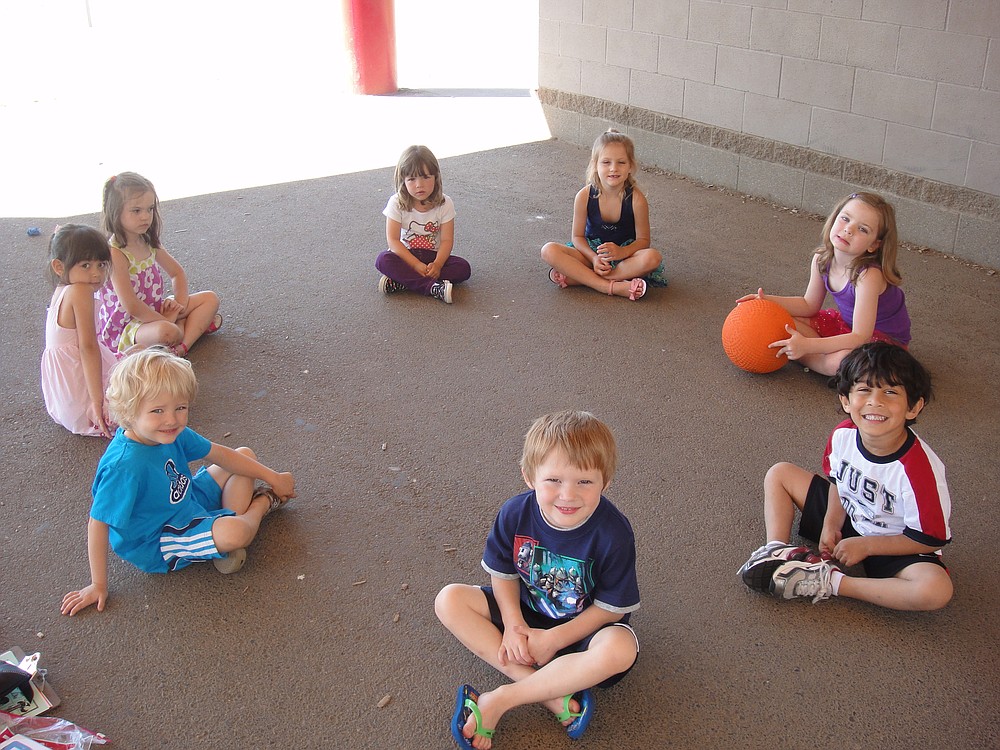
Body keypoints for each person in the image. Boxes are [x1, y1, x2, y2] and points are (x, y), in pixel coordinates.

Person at [435, 411, 639, 749]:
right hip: (527, 613)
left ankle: (502, 698)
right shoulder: (515, 512)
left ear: (606, 481)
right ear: (529, 477)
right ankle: (548, 694)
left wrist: (555, 639)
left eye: (585, 482)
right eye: (554, 480)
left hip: (581, 629)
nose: (568, 495)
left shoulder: (614, 533)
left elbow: (610, 609)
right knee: (449, 599)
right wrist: (514, 624)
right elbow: (503, 573)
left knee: (620, 649)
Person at [60, 348, 296, 616]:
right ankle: (262, 503)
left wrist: (273, 476)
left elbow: (219, 454)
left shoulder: (170, 431)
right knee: (236, 534)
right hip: (159, 538)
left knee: (244, 457)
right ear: (128, 411)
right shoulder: (123, 466)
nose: (171, 419)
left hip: (187, 499)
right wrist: (98, 584)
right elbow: (98, 522)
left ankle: (217, 533)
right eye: (157, 410)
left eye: (180, 407)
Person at [737, 342, 952, 611]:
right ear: (846, 401)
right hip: (849, 516)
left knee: (935, 590)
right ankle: (778, 551)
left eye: (890, 391)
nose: (876, 401)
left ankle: (829, 581)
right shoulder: (843, 434)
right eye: (864, 389)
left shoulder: (920, 470)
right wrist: (831, 523)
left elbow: (928, 538)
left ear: (913, 407)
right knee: (780, 473)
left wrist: (867, 545)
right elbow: (837, 483)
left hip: (893, 543)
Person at [737, 191, 909, 376]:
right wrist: (766, 301)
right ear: (834, 218)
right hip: (847, 327)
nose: (849, 229)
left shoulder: (868, 276)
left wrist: (807, 345)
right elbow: (808, 305)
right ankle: (805, 353)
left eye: (863, 229)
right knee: (782, 321)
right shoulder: (822, 259)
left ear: (874, 245)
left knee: (843, 359)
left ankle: (815, 359)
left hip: (879, 341)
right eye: (845, 219)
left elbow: (861, 337)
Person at [98, 172, 222, 357]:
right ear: (115, 212)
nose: (145, 217)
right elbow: (131, 306)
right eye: (136, 211)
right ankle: (186, 331)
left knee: (210, 299)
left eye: (150, 209)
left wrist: (178, 306)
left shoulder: (148, 240)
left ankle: (180, 348)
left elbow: (177, 273)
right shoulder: (116, 252)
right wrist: (167, 320)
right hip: (129, 325)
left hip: (156, 311)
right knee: (168, 332)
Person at [541, 129, 666, 301]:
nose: (614, 168)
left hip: (625, 260)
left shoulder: (637, 200)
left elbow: (644, 241)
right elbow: (577, 237)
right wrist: (593, 259)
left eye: (621, 162)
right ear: (595, 164)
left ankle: (583, 278)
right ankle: (612, 286)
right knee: (549, 250)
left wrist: (622, 252)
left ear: (631, 166)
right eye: (606, 162)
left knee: (653, 257)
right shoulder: (584, 196)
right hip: (591, 255)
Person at [40, 224, 119, 438]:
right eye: (85, 265)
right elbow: (88, 347)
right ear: (59, 266)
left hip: (64, 400)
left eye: (101, 265)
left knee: (139, 356)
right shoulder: (80, 291)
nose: (96, 273)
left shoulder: (62, 289)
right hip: (83, 391)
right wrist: (97, 402)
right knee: (154, 387)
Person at [376, 145, 471, 304]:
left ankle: (402, 282)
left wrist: (438, 264)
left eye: (426, 177)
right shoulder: (396, 202)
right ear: (403, 181)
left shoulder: (445, 203)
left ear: (436, 177)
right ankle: (433, 287)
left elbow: (447, 240)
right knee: (383, 260)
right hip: (406, 256)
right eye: (412, 179)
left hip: (433, 256)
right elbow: (393, 241)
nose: (419, 185)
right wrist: (415, 265)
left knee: (463, 268)